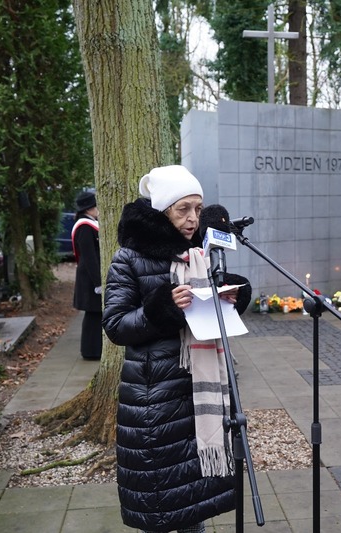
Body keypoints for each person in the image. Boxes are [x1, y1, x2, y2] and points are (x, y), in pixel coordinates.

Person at [102, 165, 252, 533]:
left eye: (198, 209)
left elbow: (209, 315)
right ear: (162, 210)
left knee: (193, 505)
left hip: (199, 398)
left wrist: (230, 295)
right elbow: (116, 324)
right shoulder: (129, 258)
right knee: (163, 505)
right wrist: (163, 307)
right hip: (156, 401)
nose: (193, 219)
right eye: (183, 209)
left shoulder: (200, 253)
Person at [71, 190, 102, 360]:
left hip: (91, 277)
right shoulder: (84, 226)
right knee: (93, 315)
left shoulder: (89, 224)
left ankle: (93, 349)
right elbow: (89, 256)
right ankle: (90, 351)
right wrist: (98, 282)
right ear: (89, 208)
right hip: (90, 278)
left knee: (95, 315)